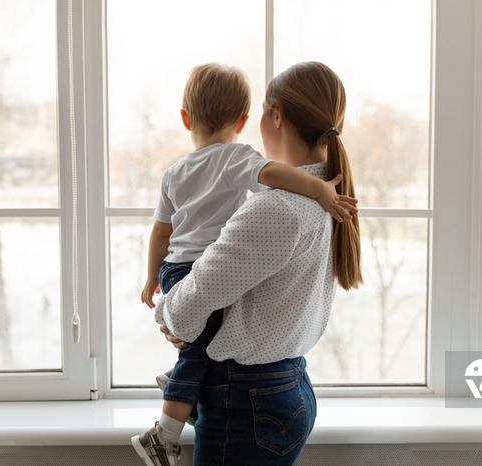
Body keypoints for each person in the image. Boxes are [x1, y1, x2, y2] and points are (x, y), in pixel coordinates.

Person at [131, 63, 357, 466]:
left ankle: (172, 407)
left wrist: (166, 312)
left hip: (248, 402)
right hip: (286, 385)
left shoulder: (277, 209)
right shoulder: (326, 196)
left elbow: (183, 317)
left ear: (277, 116)